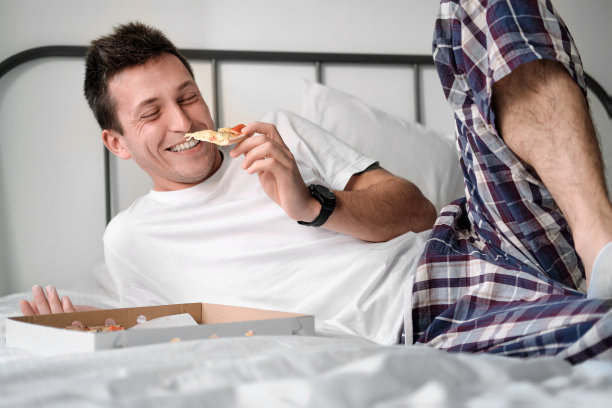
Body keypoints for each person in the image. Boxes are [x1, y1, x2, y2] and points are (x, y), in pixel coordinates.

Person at [20, 22, 437, 344]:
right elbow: (155, 333)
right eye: (151, 113)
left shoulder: (276, 135)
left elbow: (420, 213)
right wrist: (76, 328)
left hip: (434, 276)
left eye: (187, 97)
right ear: (116, 143)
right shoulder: (129, 241)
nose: (184, 123)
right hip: (394, 337)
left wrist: (311, 205)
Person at [408, 0, 612, 363]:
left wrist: (316, 204)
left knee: (469, 7)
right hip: (447, 311)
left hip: (487, 252)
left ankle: (601, 246)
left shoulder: (288, 137)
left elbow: (412, 210)